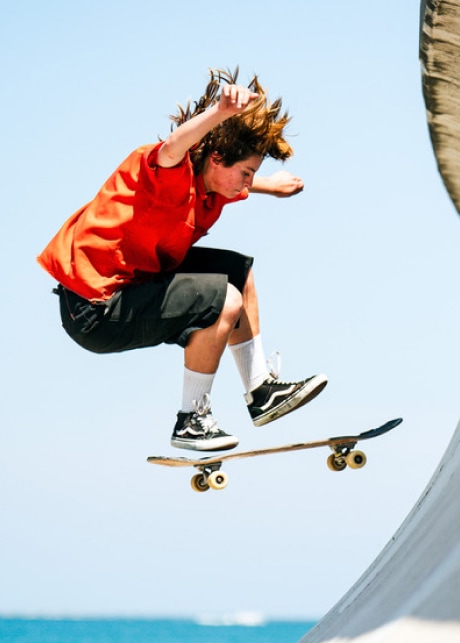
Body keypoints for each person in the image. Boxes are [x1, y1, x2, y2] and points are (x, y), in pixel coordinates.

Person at [37, 68, 327, 452]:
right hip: (94, 311)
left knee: (238, 273)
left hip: (130, 288)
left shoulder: (212, 185)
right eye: (246, 173)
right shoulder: (163, 173)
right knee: (223, 299)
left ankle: (261, 391)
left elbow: (227, 178)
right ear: (216, 157)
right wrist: (221, 112)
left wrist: (268, 186)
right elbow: (174, 146)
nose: (245, 184)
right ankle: (192, 420)